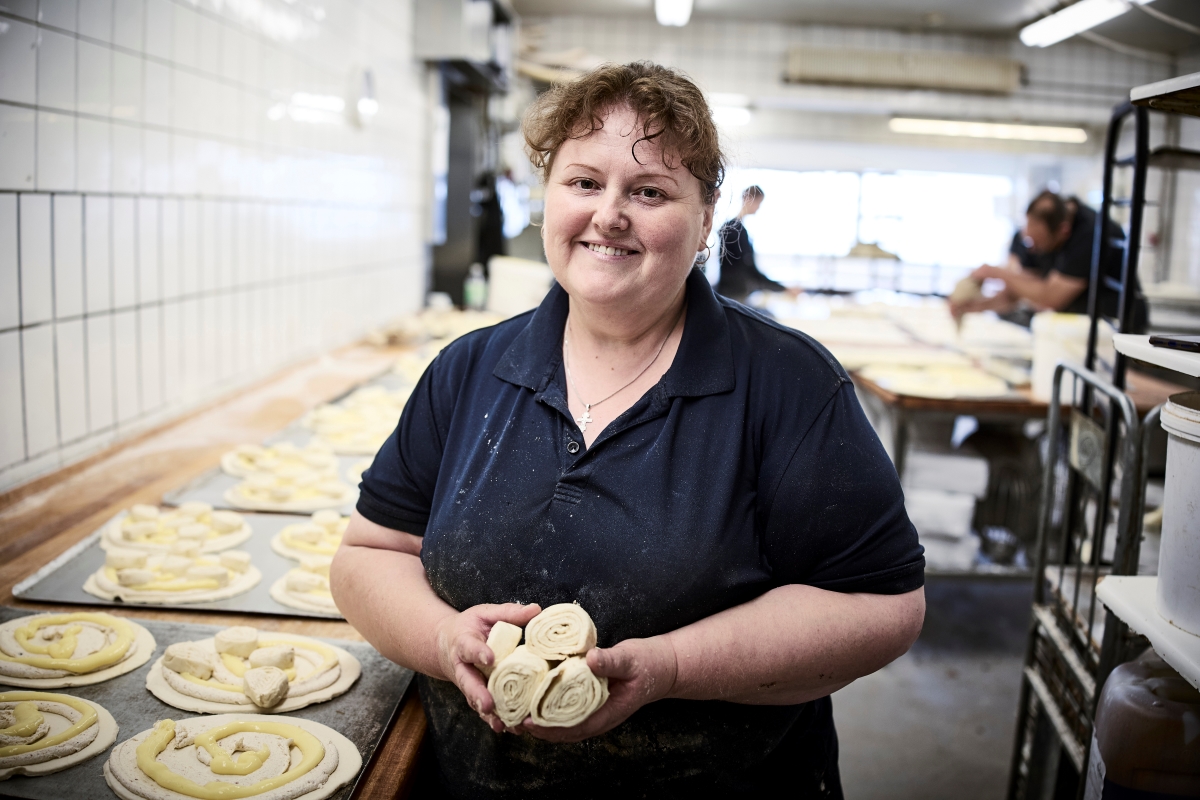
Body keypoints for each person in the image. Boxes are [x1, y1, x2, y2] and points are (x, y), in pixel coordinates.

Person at [332, 61, 925, 799]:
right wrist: (442, 639)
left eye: (649, 191)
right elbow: (368, 554)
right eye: (584, 183)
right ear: (548, 199)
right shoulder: (470, 371)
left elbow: (883, 606)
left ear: (707, 219)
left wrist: (672, 668)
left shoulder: (788, 385)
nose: (609, 214)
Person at [950, 190, 1148, 330]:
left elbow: (1050, 298)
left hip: (1115, 328)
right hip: (1075, 327)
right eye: (1029, 242)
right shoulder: (1037, 235)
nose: (1033, 249)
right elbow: (1019, 292)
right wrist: (975, 306)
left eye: (1038, 244)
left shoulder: (1092, 234)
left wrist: (996, 272)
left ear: (1064, 231)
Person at [713, 185, 798, 303]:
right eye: (758, 203)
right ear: (748, 199)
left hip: (733, 293)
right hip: (733, 294)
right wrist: (783, 289)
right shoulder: (735, 230)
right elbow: (748, 270)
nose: (758, 208)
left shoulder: (734, 228)